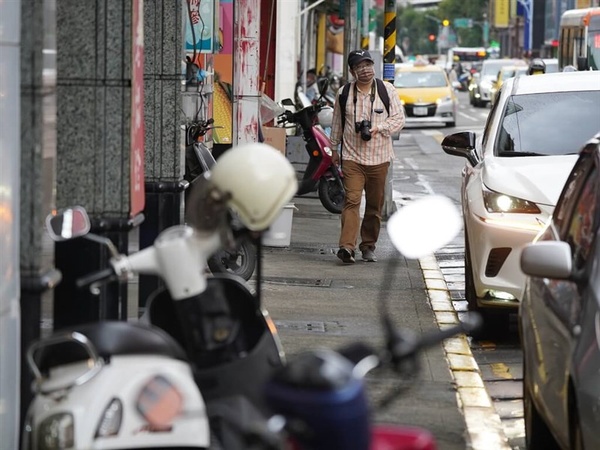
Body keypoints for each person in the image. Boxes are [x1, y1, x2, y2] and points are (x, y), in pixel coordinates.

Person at [329, 50, 405, 264]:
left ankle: (368, 245)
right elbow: (337, 123)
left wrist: (378, 128)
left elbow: (399, 120)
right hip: (352, 157)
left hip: (379, 158)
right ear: (352, 71)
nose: (365, 70)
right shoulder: (344, 93)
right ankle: (347, 247)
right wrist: (334, 149)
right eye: (359, 66)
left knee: (374, 205)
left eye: (368, 64)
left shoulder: (386, 90)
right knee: (352, 200)